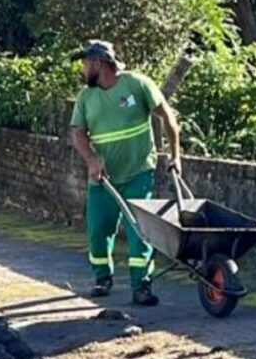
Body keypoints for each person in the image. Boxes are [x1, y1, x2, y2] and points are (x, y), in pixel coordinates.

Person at [68, 40, 182, 307]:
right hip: (103, 178)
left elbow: (167, 115)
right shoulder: (86, 97)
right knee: (99, 228)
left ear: (98, 63)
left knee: (139, 231)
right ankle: (102, 277)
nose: (83, 69)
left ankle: (141, 285)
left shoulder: (137, 84)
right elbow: (78, 133)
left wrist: (176, 155)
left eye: (85, 63)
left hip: (138, 172)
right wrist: (92, 160)